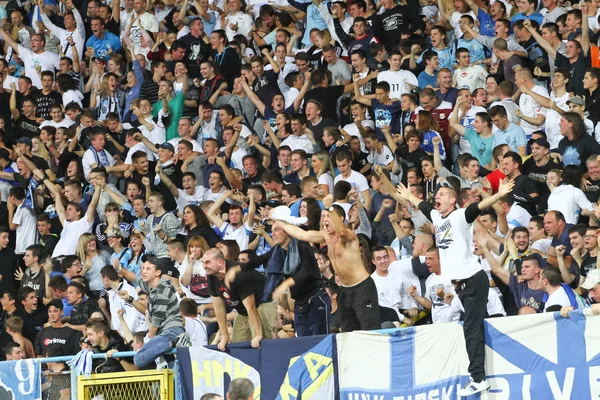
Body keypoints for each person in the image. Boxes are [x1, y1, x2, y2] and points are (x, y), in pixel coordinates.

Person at [395, 177, 515, 396]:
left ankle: (478, 378)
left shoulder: (460, 216)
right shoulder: (436, 217)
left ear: (452, 200)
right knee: (474, 326)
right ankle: (487, 369)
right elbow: (424, 206)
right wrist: (408, 196)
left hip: (473, 279)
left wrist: (498, 194)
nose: (437, 197)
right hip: (460, 285)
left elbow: (477, 207)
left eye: (441, 194)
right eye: (437, 194)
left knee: (471, 328)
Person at [273, 195, 381, 331]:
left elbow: (341, 231)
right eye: (323, 216)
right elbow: (301, 235)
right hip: (345, 290)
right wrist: (278, 220)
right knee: (348, 332)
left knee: (370, 331)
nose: (324, 219)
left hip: (362, 288)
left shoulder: (349, 235)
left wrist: (329, 207)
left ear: (340, 219)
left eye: (328, 216)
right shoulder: (325, 236)